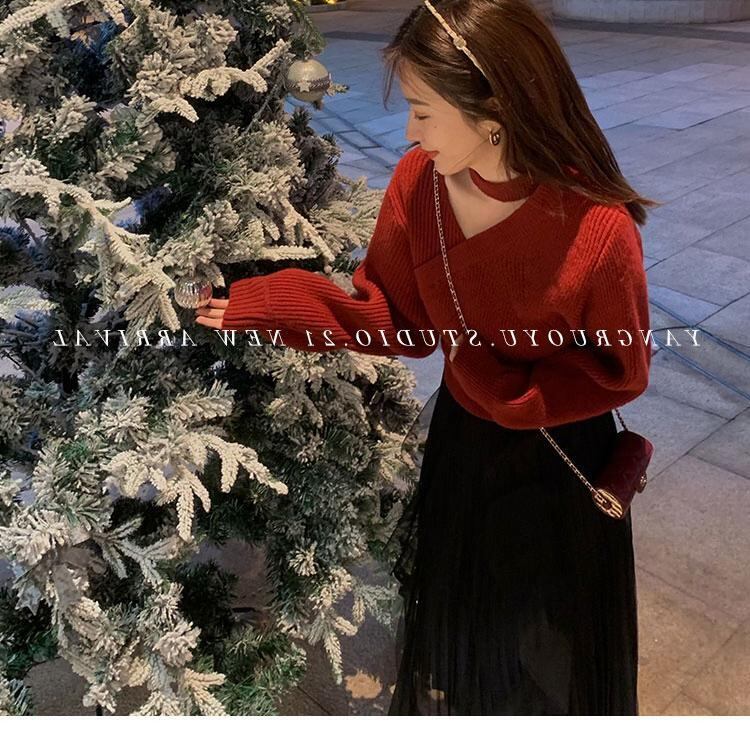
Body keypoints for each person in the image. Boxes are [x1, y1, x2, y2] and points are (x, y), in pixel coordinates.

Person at [195, 0, 658, 715]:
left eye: (422, 110)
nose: (410, 131)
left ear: (493, 111)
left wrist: (508, 392)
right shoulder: (420, 184)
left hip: (563, 454)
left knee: (551, 642)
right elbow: (396, 319)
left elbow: (622, 368)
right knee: (470, 628)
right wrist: (267, 302)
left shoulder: (596, 227)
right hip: (464, 446)